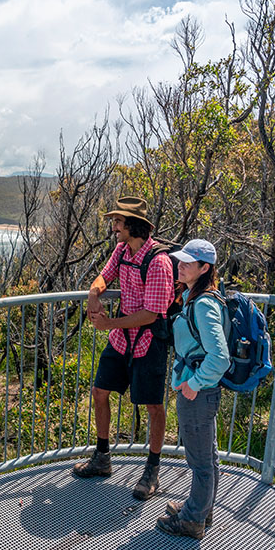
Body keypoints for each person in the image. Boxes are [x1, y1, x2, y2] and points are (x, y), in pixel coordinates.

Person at [74, 196, 174, 503]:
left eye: (118, 221)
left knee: (153, 406)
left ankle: (152, 470)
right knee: (100, 391)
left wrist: (110, 323)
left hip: (147, 342)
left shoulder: (158, 263)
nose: (114, 226)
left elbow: (152, 314)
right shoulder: (122, 250)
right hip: (121, 341)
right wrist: (94, 292)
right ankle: (102, 457)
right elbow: (106, 275)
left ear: (133, 225)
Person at [155, 239, 230, 540]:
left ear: (205, 268)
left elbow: (220, 357)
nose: (181, 265)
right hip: (200, 389)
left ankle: (192, 521)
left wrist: (193, 384)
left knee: (200, 462)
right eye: (181, 260)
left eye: (188, 262)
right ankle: (201, 509)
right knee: (207, 457)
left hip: (198, 391)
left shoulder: (204, 304)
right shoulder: (193, 297)